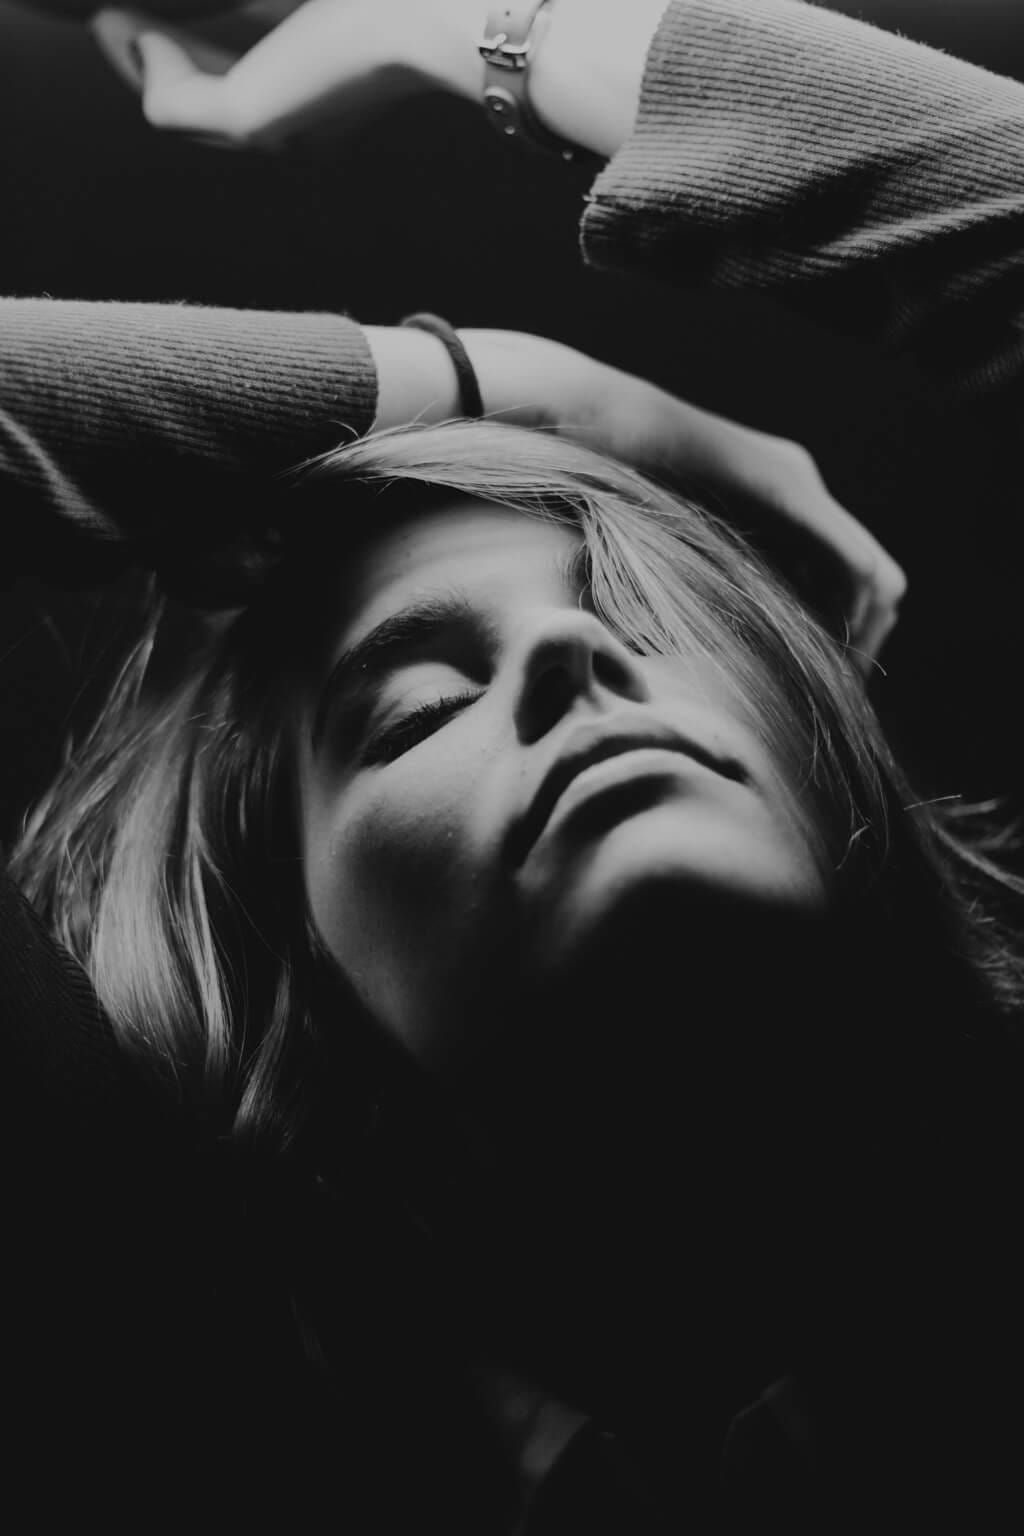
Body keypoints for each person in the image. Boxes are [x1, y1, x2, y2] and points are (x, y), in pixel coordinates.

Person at [3, 0, 1024, 1527]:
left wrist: (487, 26)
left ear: (836, 777)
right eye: (415, 711)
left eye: (641, 623)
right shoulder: (142, 1410)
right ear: (288, 967)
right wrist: (507, 385)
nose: (568, 654)